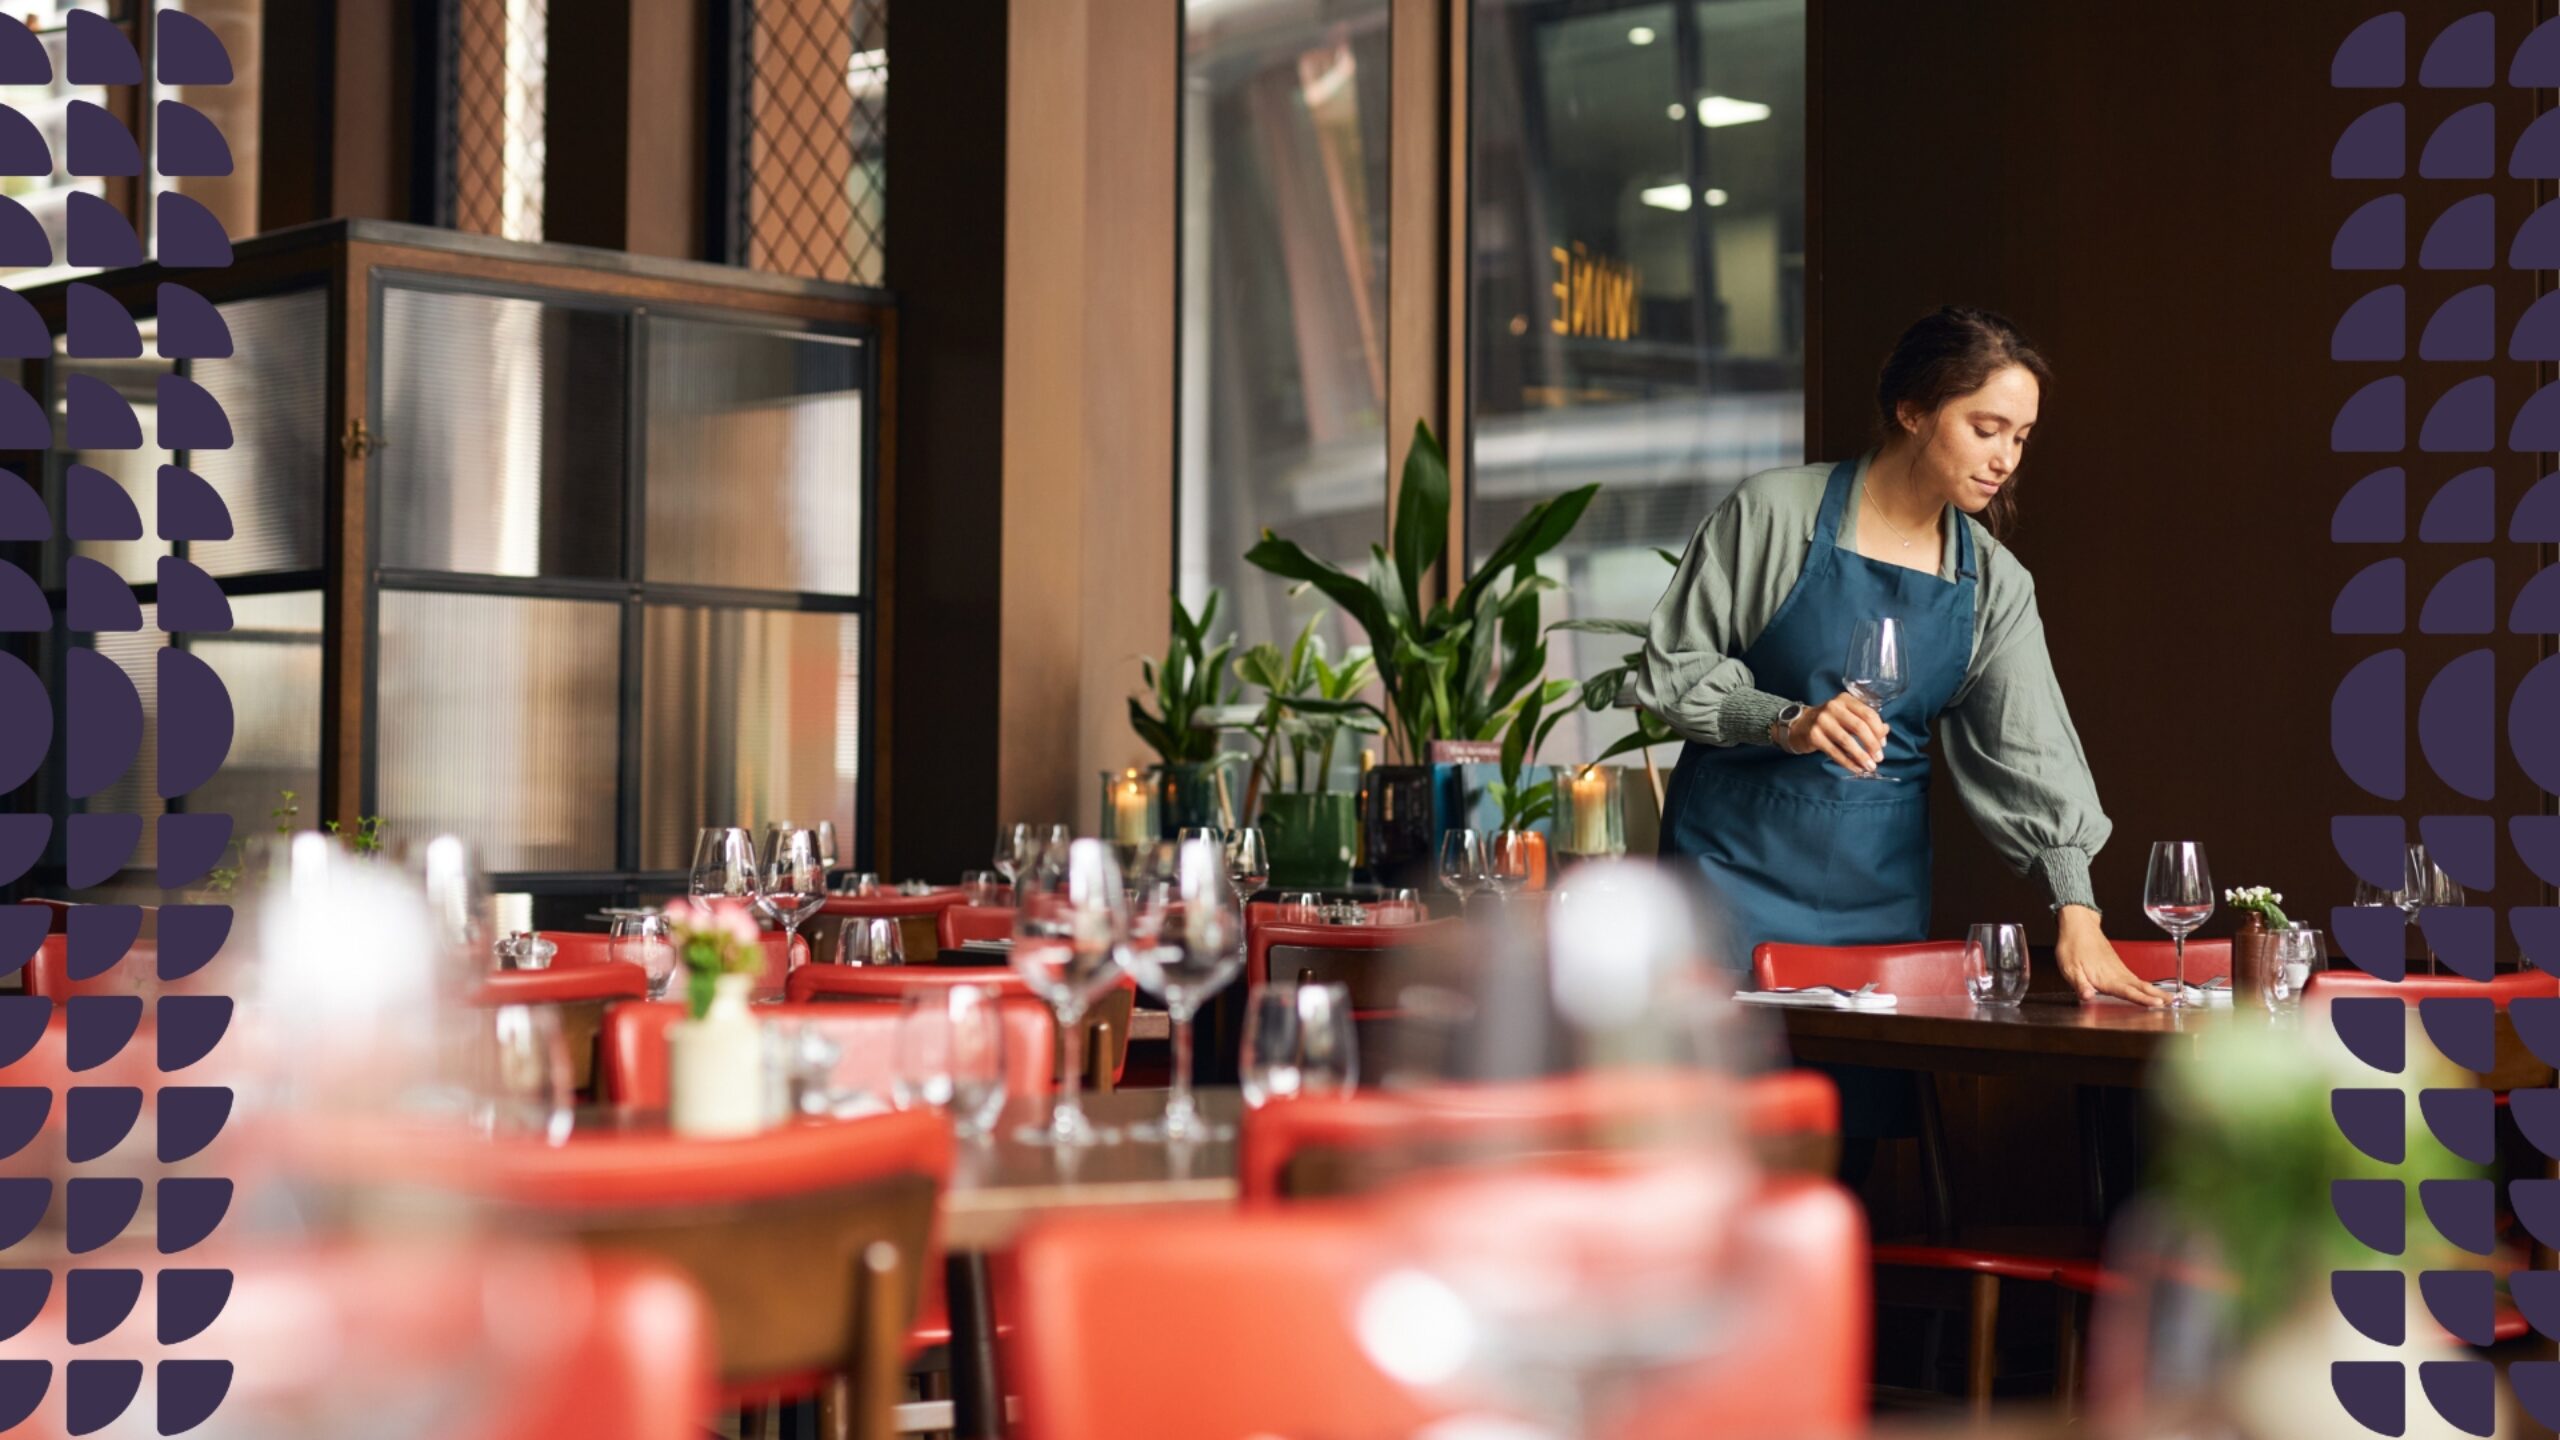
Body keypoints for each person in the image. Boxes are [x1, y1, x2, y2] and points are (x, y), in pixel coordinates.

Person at [1637, 305, 2157, 1015]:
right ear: (1912, 411)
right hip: (1728, 881)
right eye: (1986, 429)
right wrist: (1784, 720)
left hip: (1878, 897)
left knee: (1864, 1111)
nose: (2006, 458)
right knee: (1730, 1113)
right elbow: (1675, 665)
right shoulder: (1773, 515)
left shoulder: (1994, 583)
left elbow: (2031, 751)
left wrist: (2077, 908)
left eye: (2022, 437)